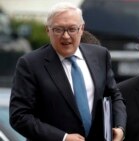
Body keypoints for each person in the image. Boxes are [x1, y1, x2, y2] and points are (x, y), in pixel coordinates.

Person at [9, 2, 126, 141]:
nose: (65, 36)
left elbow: (114, 95)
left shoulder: (100, 55)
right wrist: (63, 138)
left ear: (81, 29)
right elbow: (19, 116)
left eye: (72, 29)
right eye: (58, 29)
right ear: (48, 30)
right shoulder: (30, 64)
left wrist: (120, 127)